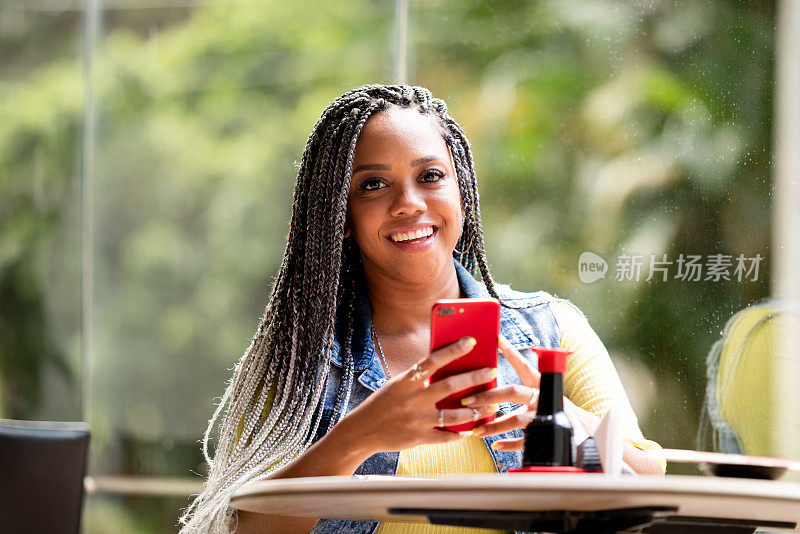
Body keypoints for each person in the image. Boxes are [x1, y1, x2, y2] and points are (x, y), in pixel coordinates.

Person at [179, 84, 664, 534]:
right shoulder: (299, 364)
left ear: (462, 193)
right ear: (341, 215)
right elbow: (238, 528)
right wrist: (358, 437)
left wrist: (567, 422)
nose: (408, 204)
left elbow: (647, 483)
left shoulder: (552, 329)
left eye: (430, 176)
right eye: (373, 185)